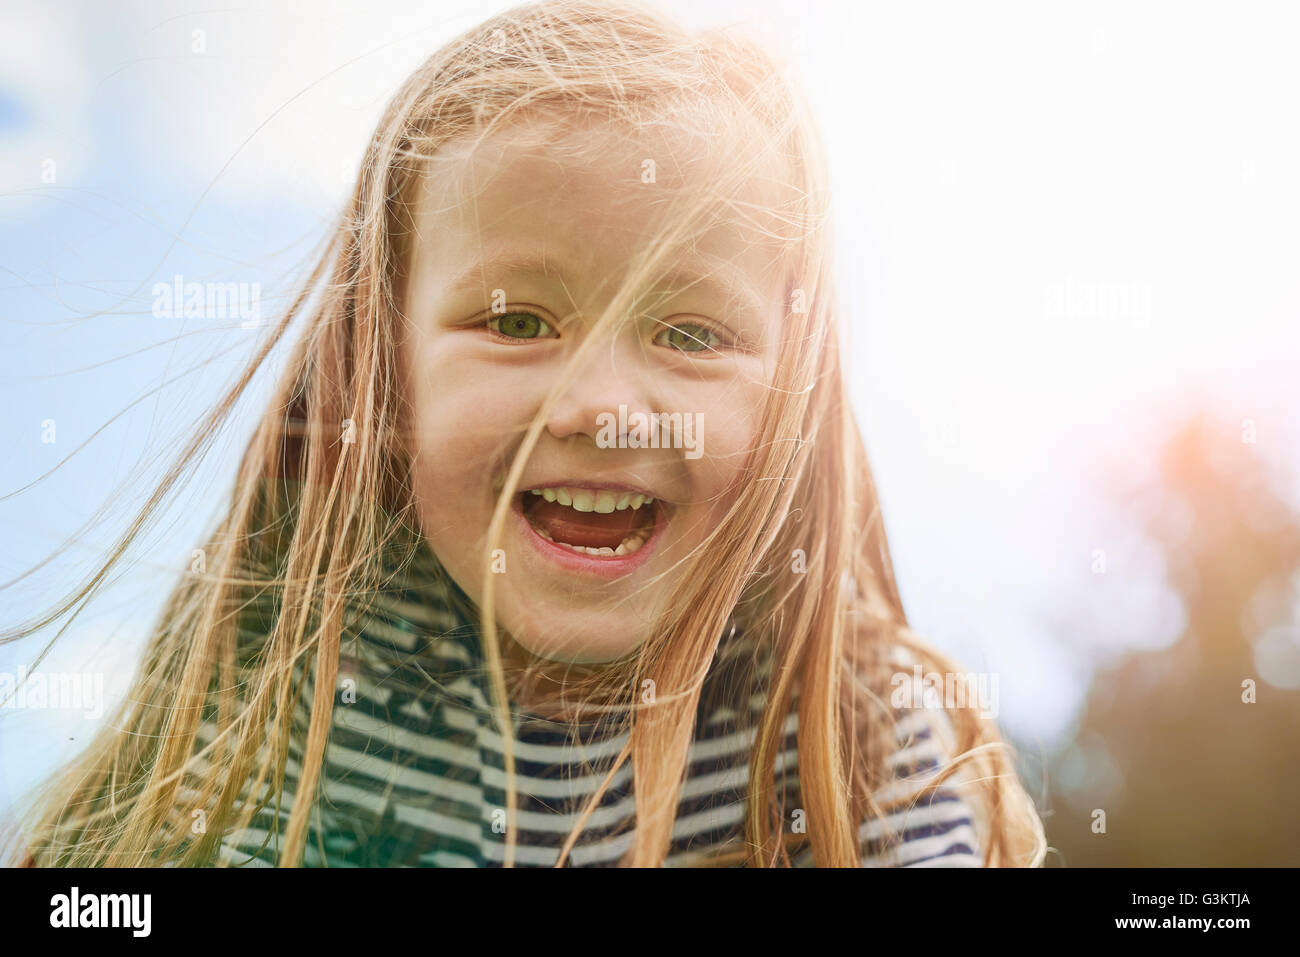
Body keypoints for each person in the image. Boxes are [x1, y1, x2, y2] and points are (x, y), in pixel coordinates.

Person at [7, 0, 1045, 867]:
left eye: (689, 333)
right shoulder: (294, 691)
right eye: (514, 321)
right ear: (387, 373)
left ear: (792, 400)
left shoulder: (860, 734)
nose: (599, 406)